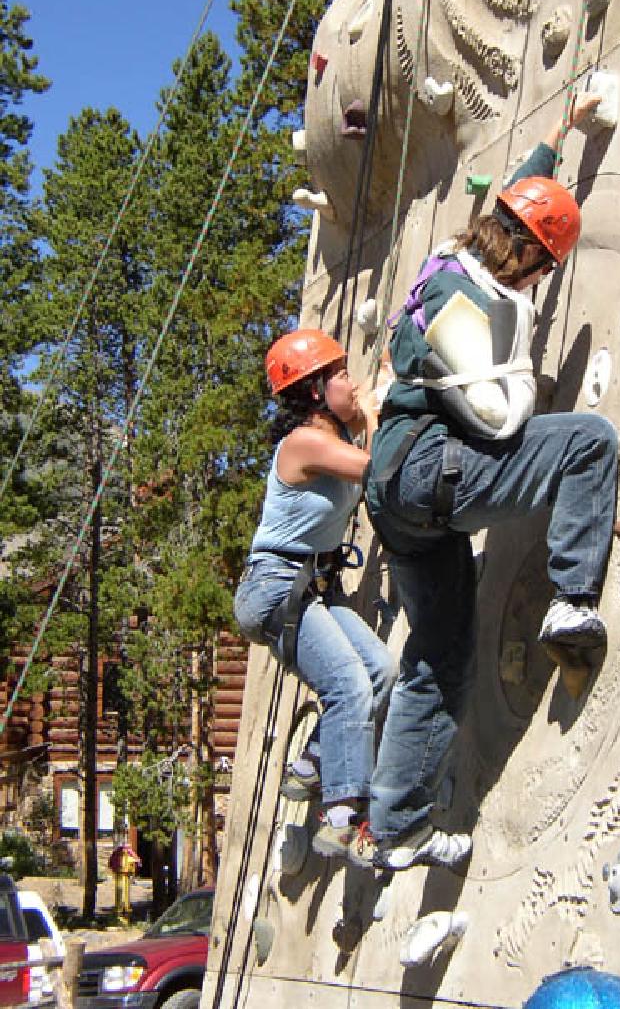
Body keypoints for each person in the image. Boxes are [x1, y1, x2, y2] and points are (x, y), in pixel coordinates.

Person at [361, 92, 619, 869]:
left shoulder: (454, 255)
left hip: (401, 496)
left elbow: (521, 190)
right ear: (534, 258)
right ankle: (573, 605)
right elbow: (503, 422)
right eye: (545, 269)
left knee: (440, 657)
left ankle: (396, 827)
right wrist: (519, 375)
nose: (542, 283)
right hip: (432, 469)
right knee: (588, 445)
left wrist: (561, 127)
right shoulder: (467, 303)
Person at [234, 328, 395, 866]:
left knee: (379, 672)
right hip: (276, 587)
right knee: (348, 685)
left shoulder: (334, 442)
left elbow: (366, 458)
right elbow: (377, 471)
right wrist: (370, 413)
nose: (351, 383)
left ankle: (312, 764)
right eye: (341, 374)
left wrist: (376, 400)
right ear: (313, 390)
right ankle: (343, 813)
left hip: (309, 589)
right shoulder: (304, 443)